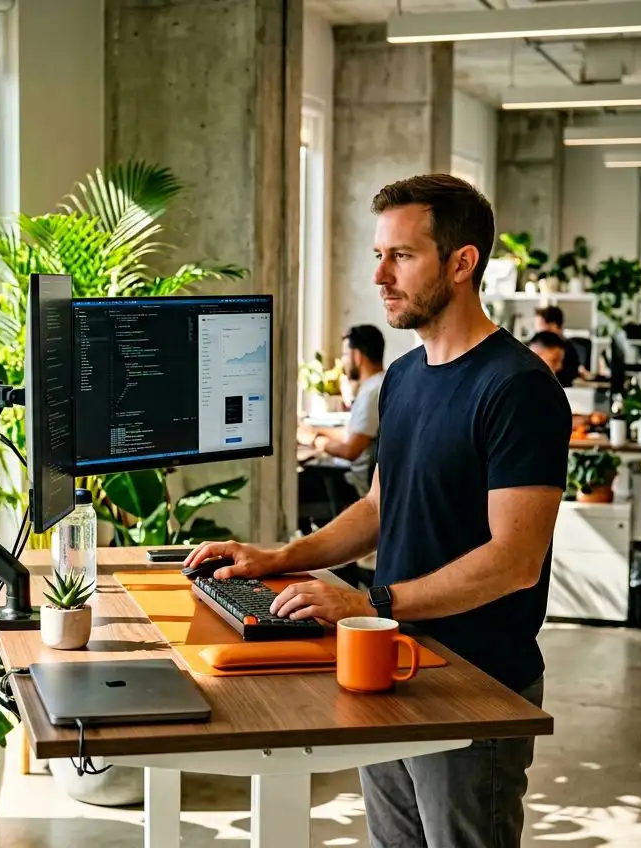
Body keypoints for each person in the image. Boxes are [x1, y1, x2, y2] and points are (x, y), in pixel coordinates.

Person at [185, 174, 570, 848]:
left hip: (473, 686)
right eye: (378, 256)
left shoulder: (517, 389)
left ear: (461, 262)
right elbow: (379, 507)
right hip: (388, 662)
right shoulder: (405, 376)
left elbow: (515, 561)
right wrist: (277, 557)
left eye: (402, 256)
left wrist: (370, 602)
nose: (382, 277)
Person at [299, 324, 386, 493]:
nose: (343, 360)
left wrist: (314, 441)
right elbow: (355, 433)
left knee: (291, 485)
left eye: (345, 354)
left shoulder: (372, 393)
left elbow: (350, 450)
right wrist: (314, 431)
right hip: (349, 475)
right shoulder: (379, 384)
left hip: (351, 482)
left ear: (357, 356)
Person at [533, 305, 589, 386]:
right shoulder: (533, 347)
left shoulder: (568, 350)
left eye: (540, 325)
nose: (537, 330)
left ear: (553, 325)